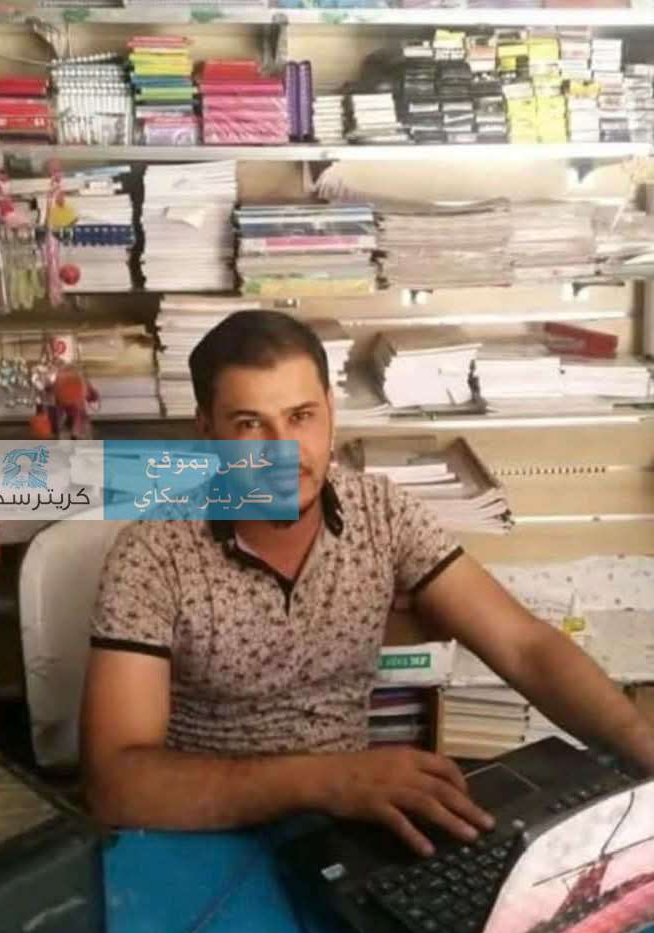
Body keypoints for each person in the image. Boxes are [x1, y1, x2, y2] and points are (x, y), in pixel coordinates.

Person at [81, 310, 654, 856]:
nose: (283, 452)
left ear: (331, 412)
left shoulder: (383, 513)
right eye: (250, 424)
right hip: (205, 833)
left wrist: (641, 744)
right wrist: (323, 780)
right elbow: (116, 783)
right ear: (207, 429)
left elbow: (526, 647)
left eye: (301, 417)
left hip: (348, 828)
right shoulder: (153, 552)